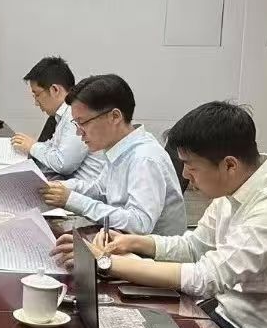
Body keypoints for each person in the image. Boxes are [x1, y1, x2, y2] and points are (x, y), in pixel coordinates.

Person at [54, 102, 267, 328]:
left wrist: (106, 263)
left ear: (229, 165)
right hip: (225, 314)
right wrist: (135, 243)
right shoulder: (236, 185)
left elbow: (206, 277)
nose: (186, 175)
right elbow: (194, 247)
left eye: (191, 166)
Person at [40, 74, 186, 236]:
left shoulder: (144, 159)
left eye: (83, 123)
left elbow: (139, 223)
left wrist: (72, 200)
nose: (78, 132)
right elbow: (101, 190)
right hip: (121, 238)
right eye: (76, 124)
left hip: (145, 248)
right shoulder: (119, 148)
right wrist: (62, 188)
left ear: (115, 116)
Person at [11, 56, 105, 183]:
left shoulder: (75, 113)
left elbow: (63, 163)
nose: (36, 103)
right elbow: (53, 148)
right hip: (69, 184)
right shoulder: (63, 114)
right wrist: (29, 146)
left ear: (55, 90)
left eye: (37, 94)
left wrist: (32, 146)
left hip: (84, 189)